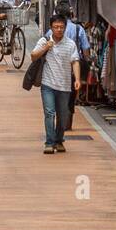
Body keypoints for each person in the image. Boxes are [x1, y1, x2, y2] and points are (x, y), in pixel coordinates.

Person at [30, 14, 81, 154]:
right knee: (49, 113)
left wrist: (77, 79)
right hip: (48, 84)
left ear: (65, 28)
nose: (59, 30)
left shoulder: (70, 44)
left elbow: (75, 61)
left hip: (65, 85)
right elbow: (33, 56)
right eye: (56, 27)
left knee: (63, 114)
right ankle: (49, 142)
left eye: (61, 27)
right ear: (51, 28)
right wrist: (45, 47)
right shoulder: (44, 41)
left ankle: (59, 140)